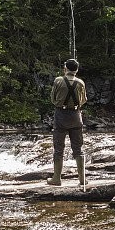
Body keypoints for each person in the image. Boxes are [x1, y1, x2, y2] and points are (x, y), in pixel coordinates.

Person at [48, 58, 87, 186]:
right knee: (78, 149)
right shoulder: (81, 82)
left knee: (59, 148)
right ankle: (82, 179)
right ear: (76, 70)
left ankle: (57, 179)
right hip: (76, 116)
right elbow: (84, 100)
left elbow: (53, 99)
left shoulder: (58, 81)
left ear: (65, 68)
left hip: (61, 116)